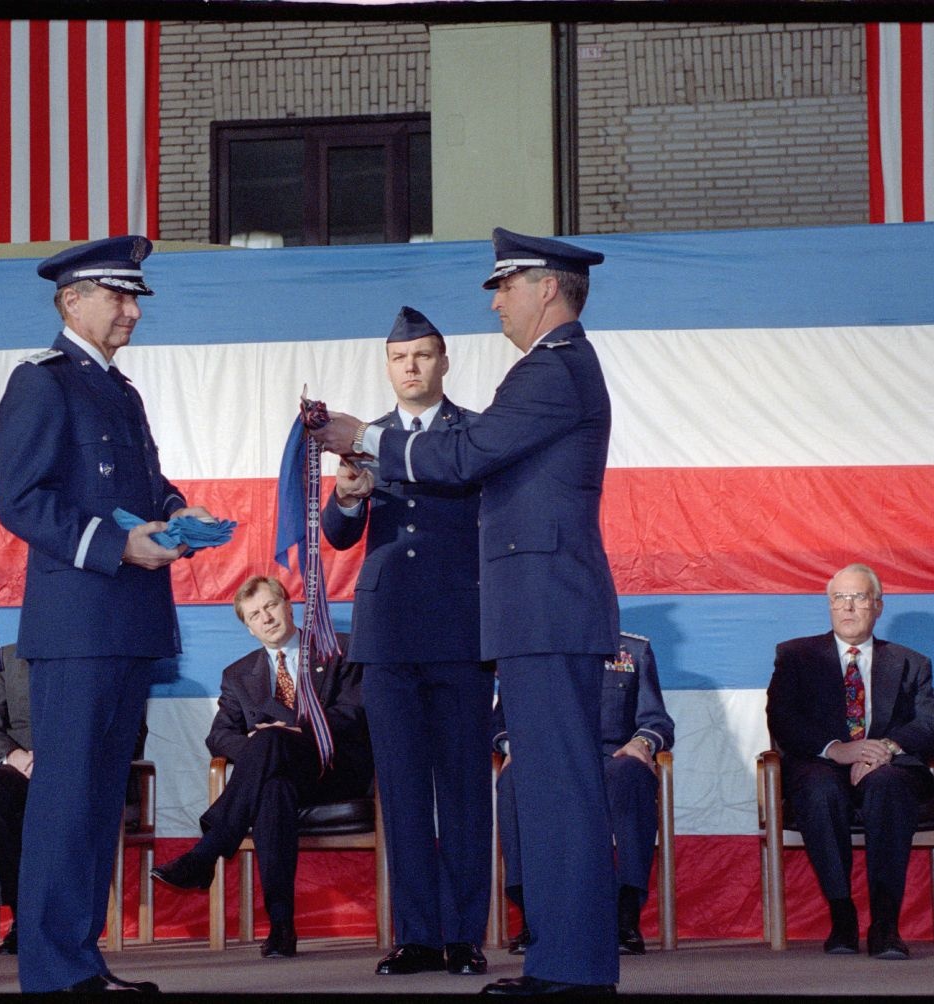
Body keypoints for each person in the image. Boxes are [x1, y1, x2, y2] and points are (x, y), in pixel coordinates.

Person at [311, 228, 621, 995]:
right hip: (528, 614)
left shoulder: (550, 372)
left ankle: (574, 967)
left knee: (560, 794)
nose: (495, 299)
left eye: (504, 284)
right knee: (548, 794)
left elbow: (461, 456)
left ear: (546, 287)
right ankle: (560, 961)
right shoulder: (551, 370)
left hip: (543, 612)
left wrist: (365, 437)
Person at [0, 234, 218, 994]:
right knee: (66, 798)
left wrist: (179, 513)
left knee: (97, 800)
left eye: (134, 299)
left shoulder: (120, 391)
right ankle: (53, 969)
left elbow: (146, 484)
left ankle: (79, 962)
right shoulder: (42, 383)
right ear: (72, 301)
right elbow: (22, 502)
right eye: (119, 297)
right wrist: (119, 546)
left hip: (127, 623)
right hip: (80, 622)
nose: (131, 311)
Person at [318, 306, 491, 977]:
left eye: (422, 355)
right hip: (387, 636)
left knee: (465, 791)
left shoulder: (474, 434)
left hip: (461, 631)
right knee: (403, 790)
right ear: (387, 367)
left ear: (445, 362)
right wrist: (349, 495)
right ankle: (417, 934)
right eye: (399, 358)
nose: (411, 367)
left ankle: (465, 935)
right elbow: (336, 536)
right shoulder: (365, 439)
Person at [149, 576, 373, 960]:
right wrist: (259, 745)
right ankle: (282, 926)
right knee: (272, 787)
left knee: (271, 741)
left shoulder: (338, 651)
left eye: (270, 606)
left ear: (288, 605)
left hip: (335, 772)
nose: (266, 618)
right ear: (249, 628)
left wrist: (291, 730)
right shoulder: (238, 675)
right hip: (280, 776)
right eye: (255, 615)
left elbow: (352, 715)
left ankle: (209, 851)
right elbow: (219, 738)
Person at [766, 562, 934, 961]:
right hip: (821, 764)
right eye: (839, 598)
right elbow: (782, 719)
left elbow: (932, 724)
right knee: (818, 787)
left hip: (888, 768)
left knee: (887, 785)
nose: (847, 607)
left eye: (859, 597)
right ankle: (841, 913)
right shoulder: (795, 656)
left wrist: (886, 748)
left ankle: (885, 925)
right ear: (829, 606)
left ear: (878, 606)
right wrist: (835, 748)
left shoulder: (910, 662)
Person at [493, 631, 674, 957]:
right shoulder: (529, 650)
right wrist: (512, 744)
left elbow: (657, 721)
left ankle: (624, 917)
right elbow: (501, 723)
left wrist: (641, 743)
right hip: (549, 761)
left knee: (631, 773)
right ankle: (533, 917)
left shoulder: (633, 651)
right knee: (514, 779)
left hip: (611, 761)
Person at [0, 645, 150, 955]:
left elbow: (130, 733)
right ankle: (26, 914)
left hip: (79, 776)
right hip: (23, 773)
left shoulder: (105, 659)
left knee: (62, 801)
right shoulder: (7, 660)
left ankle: (54, 921)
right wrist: (15, 756)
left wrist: (65, 762)